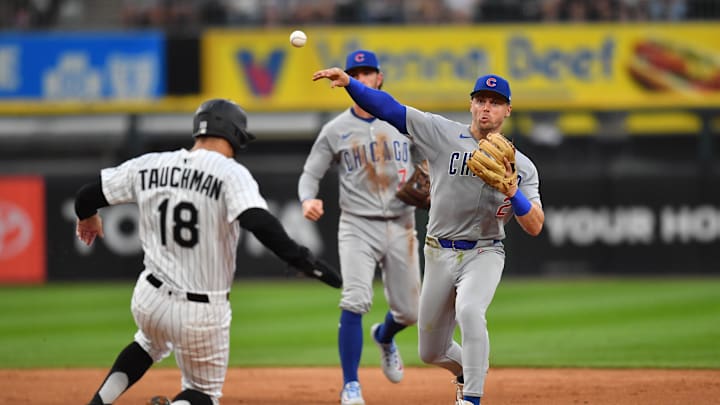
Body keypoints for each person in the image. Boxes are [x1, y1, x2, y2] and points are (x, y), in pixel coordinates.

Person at [75, 98, 341, 405]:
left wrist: (88, 217)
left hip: (149, 299)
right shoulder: (230, 173)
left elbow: (86, 195)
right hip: (201, 312)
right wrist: (304, 261)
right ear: (236, 136)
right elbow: (258, 220)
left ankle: (97, 404)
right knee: (203, 394)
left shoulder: (149, 164)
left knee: (147, 343)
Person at [311, 67, 544, 405]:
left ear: (507, 110)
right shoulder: (441, 133)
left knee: (470, 310)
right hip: (438, 252)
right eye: (481, 100)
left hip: (485, 252)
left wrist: (514, 193)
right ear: (471, 104)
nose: (486, 108)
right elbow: (389, 108)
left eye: (495, 102)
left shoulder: (522, 167)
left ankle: (472, 399)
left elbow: (535, 225)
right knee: (430, 352)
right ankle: (468, 371)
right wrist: (351, 85)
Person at [298, 50, 423, 405]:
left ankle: (384, 335)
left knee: (410, 313)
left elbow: (431, 158)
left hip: (402, 223)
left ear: (379, 79)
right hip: (357, 225)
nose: (363, 78)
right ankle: (350, 385)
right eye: (357, 73)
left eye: (368, 73)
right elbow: (311, 173)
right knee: (354, 299)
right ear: (347, 80)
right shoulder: (335, 130)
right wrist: (308, 198)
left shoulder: (403, 120)